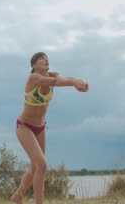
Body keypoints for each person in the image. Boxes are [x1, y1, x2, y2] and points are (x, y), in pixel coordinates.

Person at [10, 52, 88, 204]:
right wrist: (73, 82)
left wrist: (78, 82)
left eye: (46, 58)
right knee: (42, 165)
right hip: (24, 126)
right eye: (41, 59)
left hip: (40, 127)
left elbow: (62, 79)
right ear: (34, 65)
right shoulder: (34, 78)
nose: (45, 60)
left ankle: (17, 196)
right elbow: (55, 82)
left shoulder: (55, 74)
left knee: (35, 168)